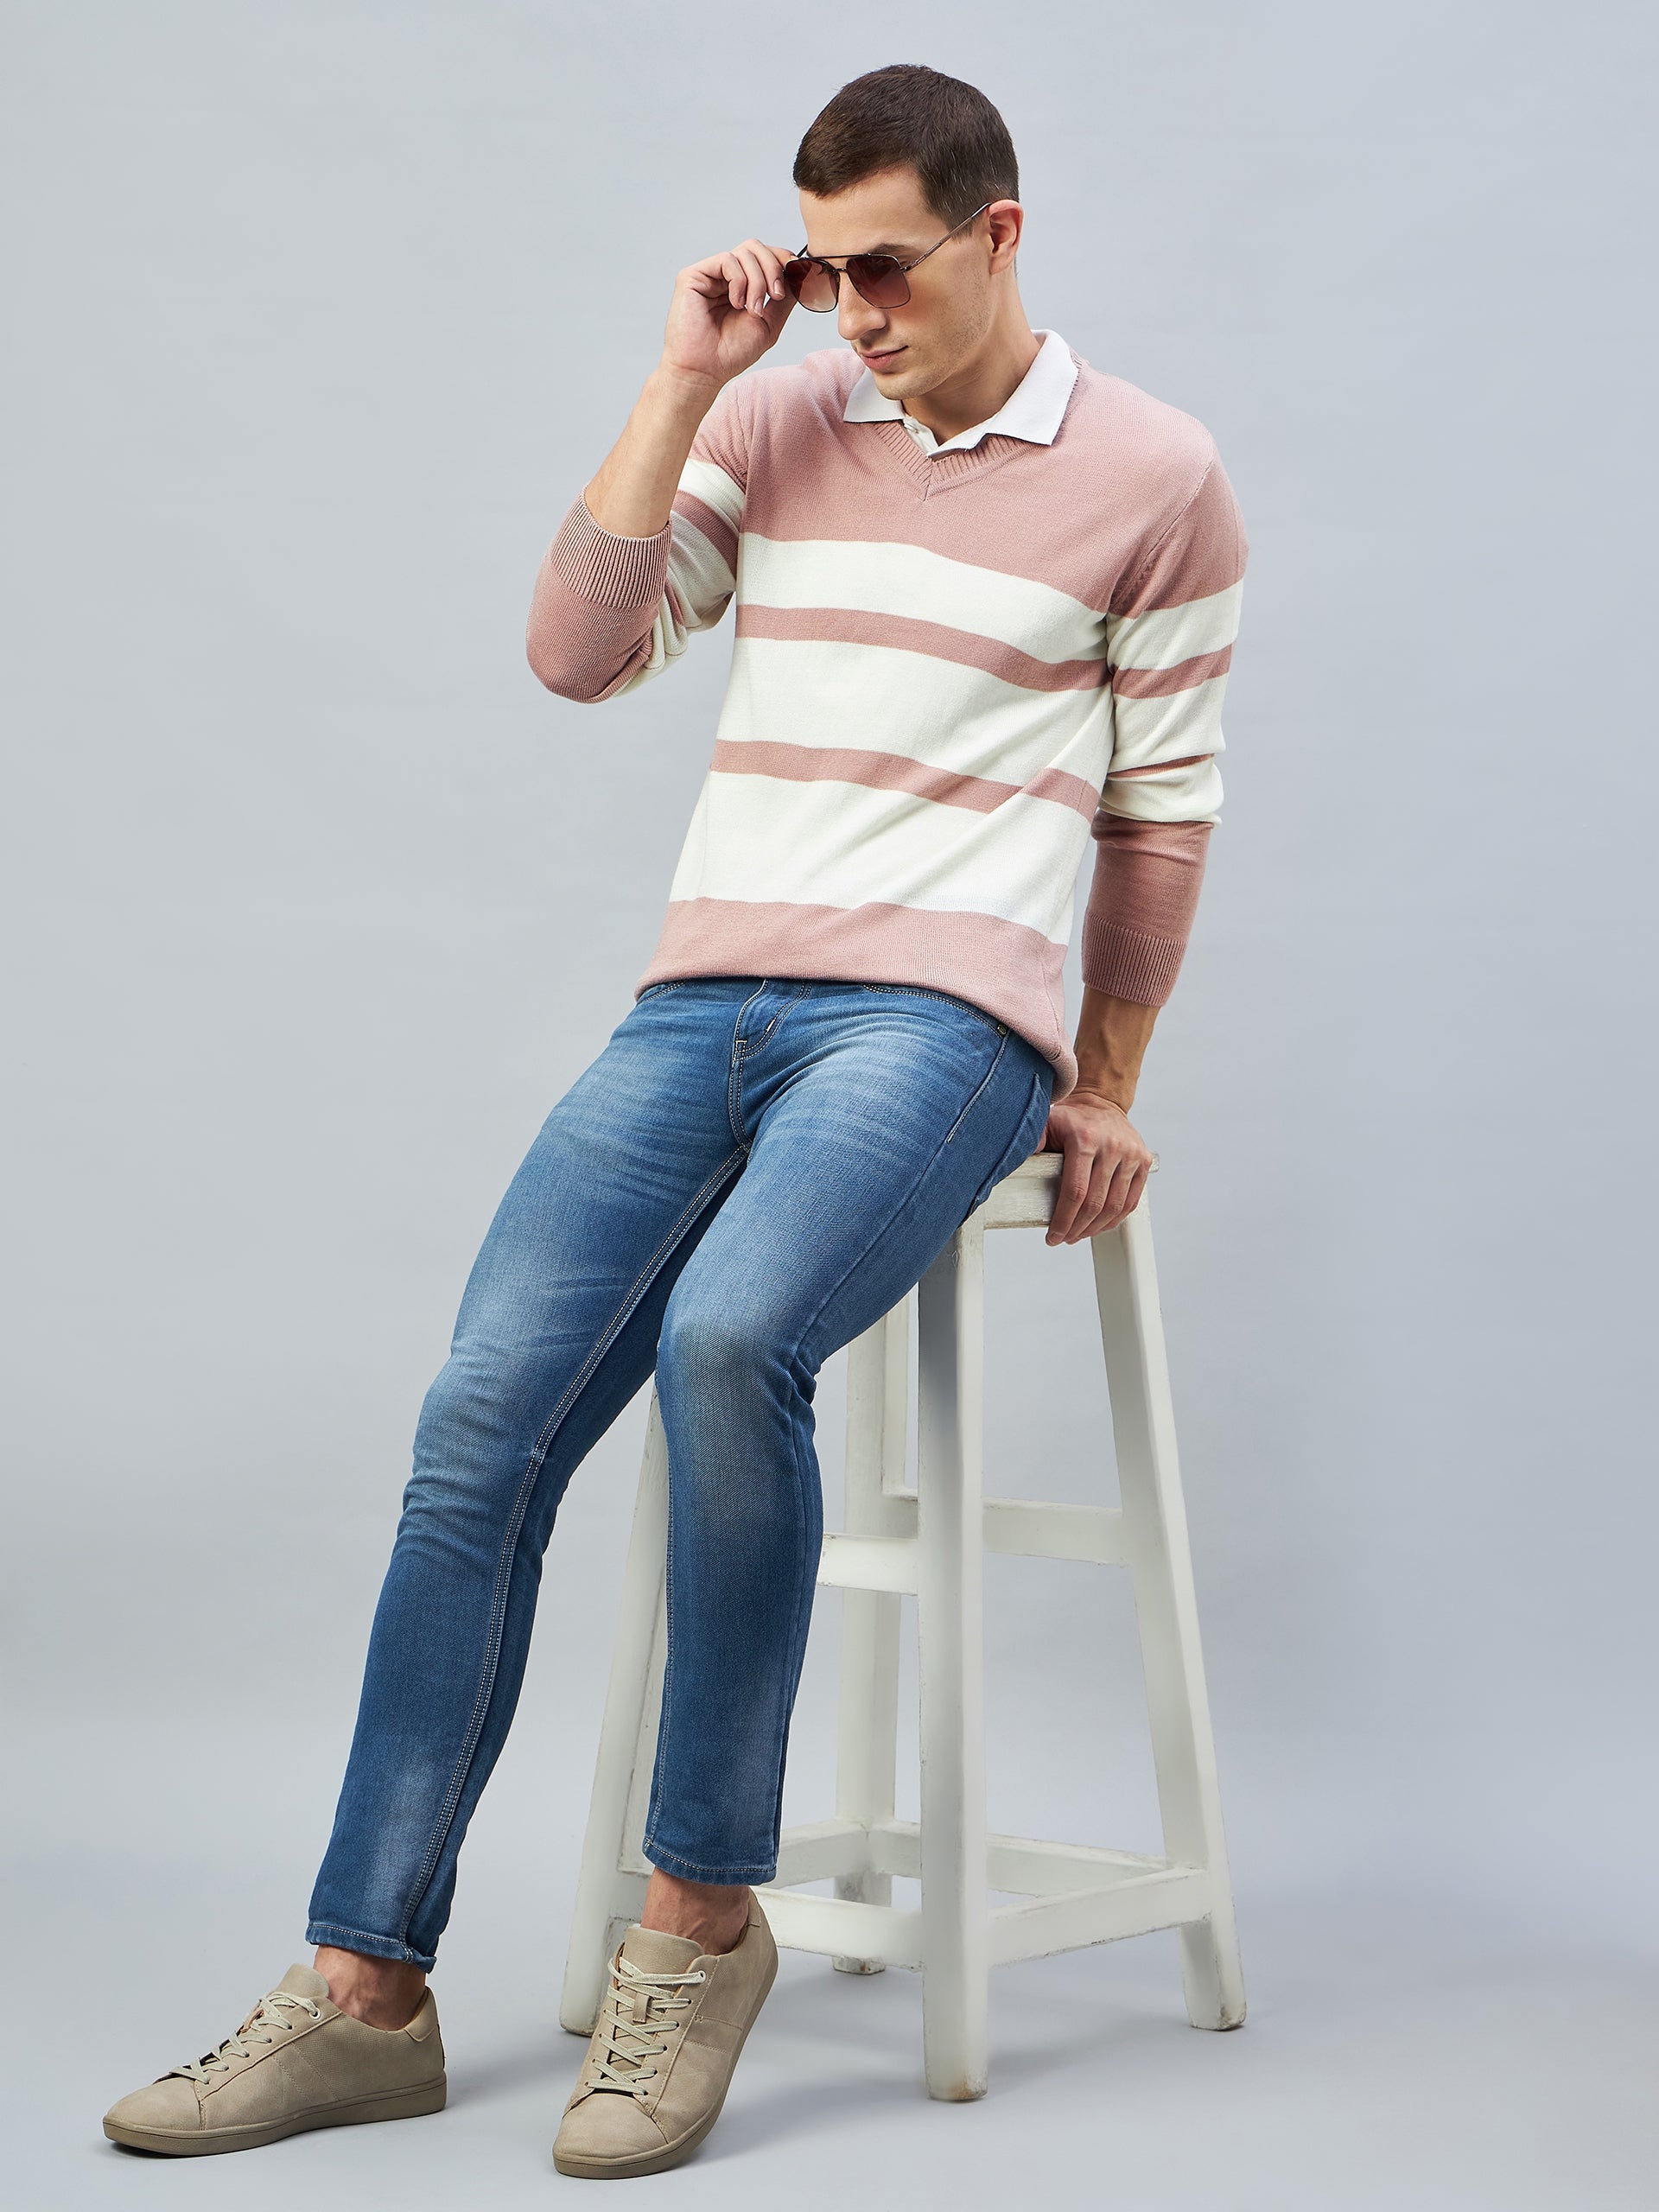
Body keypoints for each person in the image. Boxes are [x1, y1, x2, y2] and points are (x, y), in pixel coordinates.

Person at [102, 60, 1247, 2180]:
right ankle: (362, 1991)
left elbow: (1162, 816)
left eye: (888, 268)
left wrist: (1107, 1082)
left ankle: (699, 1927)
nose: (855, 312)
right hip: (704, 998)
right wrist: (683, 378)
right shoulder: (775, 416)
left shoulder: (1158, 473)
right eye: (823, 272)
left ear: (998, 234)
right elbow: (576, 652)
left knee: (731, 1342)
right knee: (479, 1418)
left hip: (941, 1022)